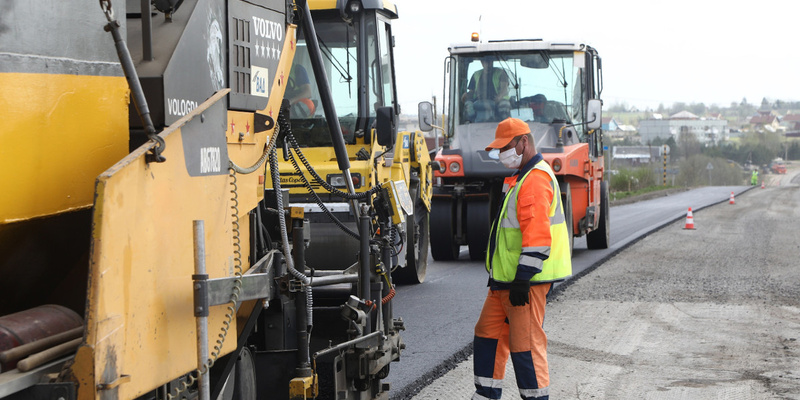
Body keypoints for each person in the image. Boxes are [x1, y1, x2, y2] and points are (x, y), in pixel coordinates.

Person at [473, 117, 572, 400]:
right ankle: (486, 395)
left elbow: (538, 237)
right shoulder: (520, 178)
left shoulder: (536, 180)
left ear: (523, 142)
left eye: (505, 146)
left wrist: (522, 280)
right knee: (487, 336)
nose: (501, 153)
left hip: (524, 282)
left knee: (525, 346)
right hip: (504, 281)